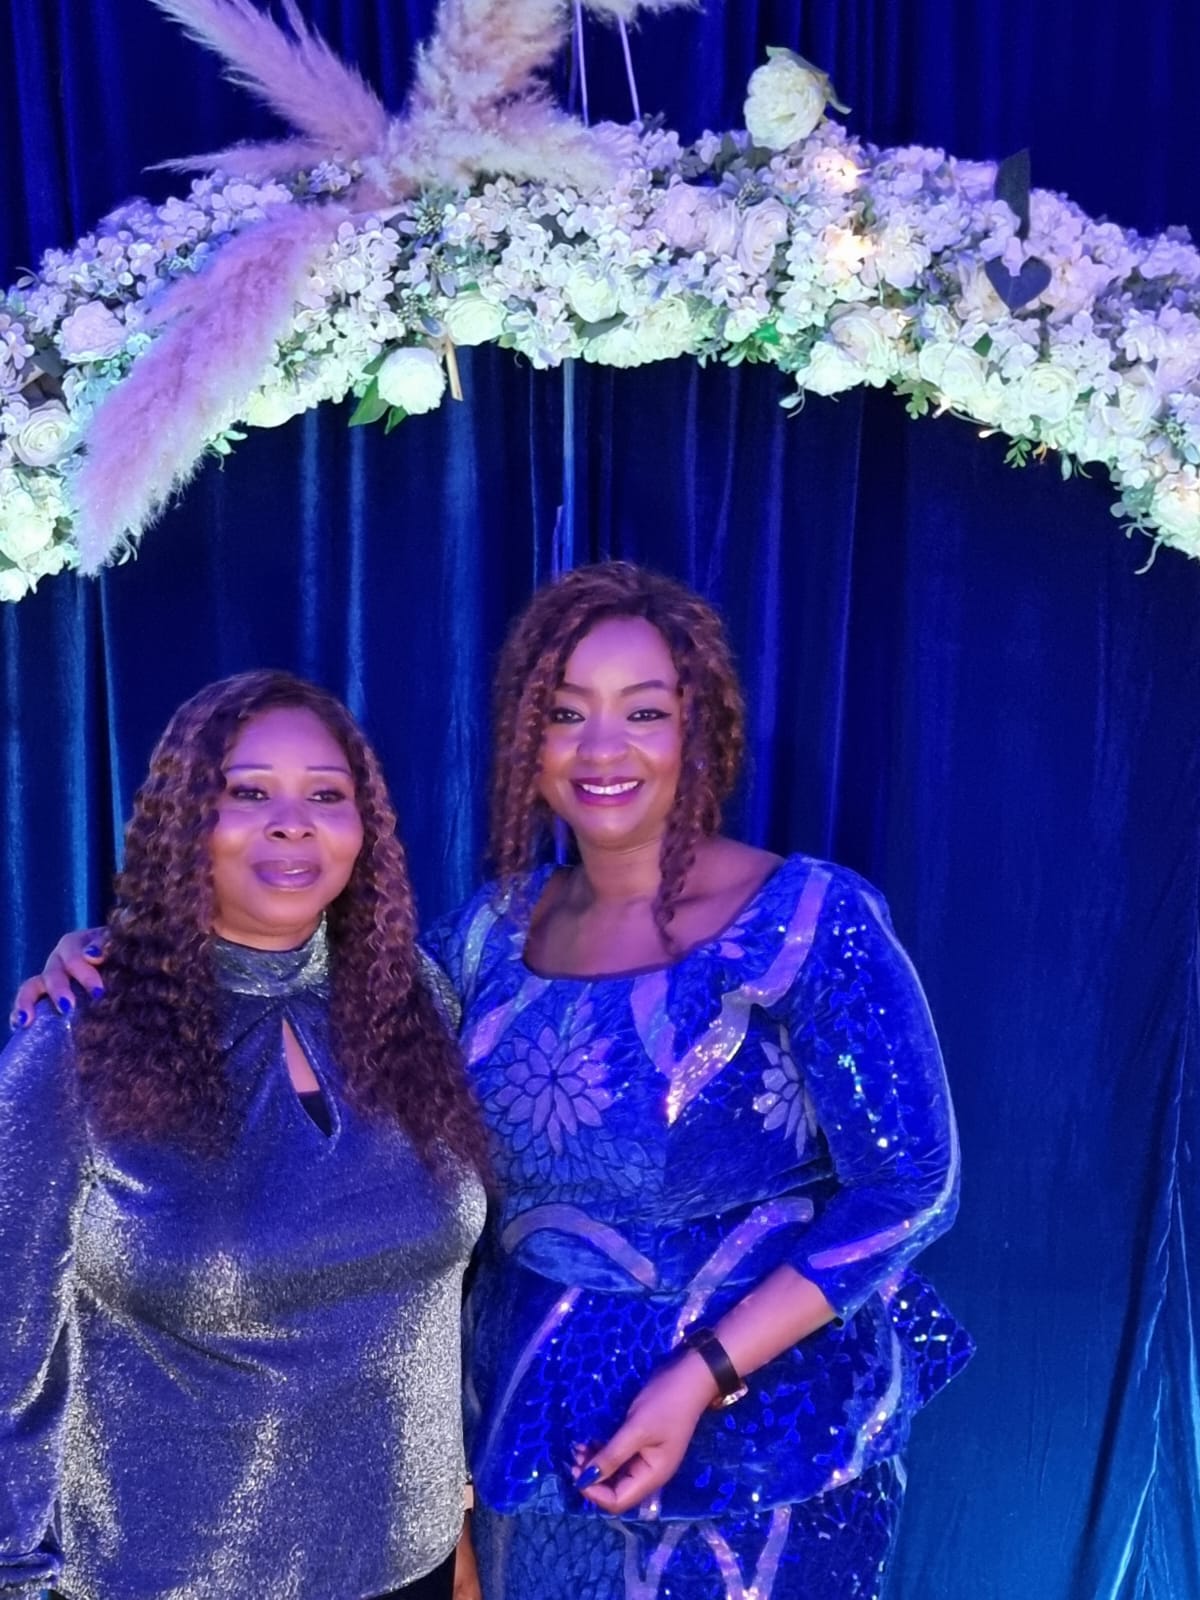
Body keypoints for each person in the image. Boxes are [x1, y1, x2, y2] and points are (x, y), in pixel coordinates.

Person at [16, 565, 972, 1600]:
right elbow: (293, 967)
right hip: (535, 1435)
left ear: (703, 729)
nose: (602, 748)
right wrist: (116, 955)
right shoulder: (485, 940)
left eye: (644, 711)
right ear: (527, 739)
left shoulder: (806, 921)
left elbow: (911, 1184)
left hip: (759, 1435)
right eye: (566, 713)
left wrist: (706, 1372)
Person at [0, 670, 488, 1600]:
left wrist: (456, 1525)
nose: (293, 824)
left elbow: (435, 1317)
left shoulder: (419, 999)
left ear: (365, 828)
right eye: (249, 792)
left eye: (326, 796)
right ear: (185, 821)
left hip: (411, 1565)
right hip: (169, 1579)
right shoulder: (77, 1043)